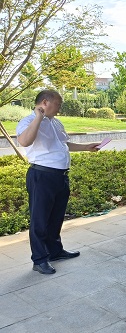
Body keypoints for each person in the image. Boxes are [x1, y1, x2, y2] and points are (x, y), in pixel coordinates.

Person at [16, 90, 100, 275]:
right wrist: (39, 117)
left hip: (60, 176)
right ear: (45, 102)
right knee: (40, 220)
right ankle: (39, 259)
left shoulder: (56, 122)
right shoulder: (28, 121)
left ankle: (55, 251)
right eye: (58, 104)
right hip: (42, 176)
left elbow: (64, 144)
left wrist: (86, 147)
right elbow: (24, 141)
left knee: (56, 217)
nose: (60, 107)